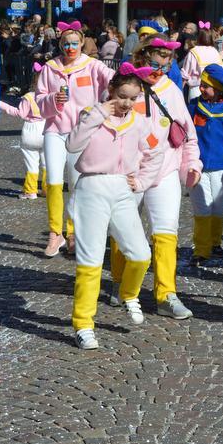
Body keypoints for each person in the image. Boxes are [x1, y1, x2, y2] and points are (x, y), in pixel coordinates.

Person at [66, 66, 164, 350]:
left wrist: (142, 181)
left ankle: (129, 293)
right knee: (91, 260)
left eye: (133, 98)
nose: (127, 103)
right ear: (110, 92)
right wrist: (98, 115)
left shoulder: (140, 122)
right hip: (91, 188)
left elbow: (156, 151)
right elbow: (72, 145)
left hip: (122, 189)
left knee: (141, 254)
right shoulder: (91, 114)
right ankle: (83, 324)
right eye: (122, 96)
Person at [109, 33, 202, 320]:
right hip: (129, 173)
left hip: (165, 170)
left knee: (166, 231)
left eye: (167, 63)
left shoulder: (171, 89)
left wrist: (192, 164)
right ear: (142, 56)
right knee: (123, 229)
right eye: (156, 62)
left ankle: (166, 294)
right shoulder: (123, 87)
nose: (161, 69)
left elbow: (187, 132)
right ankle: (120, 282)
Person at [34, 21, 114, 256]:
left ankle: (73, 232)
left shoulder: (93, 66)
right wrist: (52, 100)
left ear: (82, 44)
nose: (70, 48)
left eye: (75, 44)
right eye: (66, 44)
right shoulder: (50, 68)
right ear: (61, 45)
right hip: (55, 129)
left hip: (81, 132)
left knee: (77, 184)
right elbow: (39, 98)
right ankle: (54, 233)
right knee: (53, 181)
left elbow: (115, 80)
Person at [188, 64, 223, 266]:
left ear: (218, 89)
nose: (201, 89)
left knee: (218, 207)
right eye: (201, 85)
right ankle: (201, 250)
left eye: (206, 86)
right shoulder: (194, 106)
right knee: (202, 207)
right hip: (198, 166)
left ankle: (214, 243)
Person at [0, 92, 46, 200]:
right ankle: (48, 190)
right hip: (46, 128)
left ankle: (30, 191)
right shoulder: (49, 94)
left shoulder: (29, 97)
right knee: (47, 164)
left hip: (30, 130)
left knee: (31, 164)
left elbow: (20, 113)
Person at [180, 22, 223, 100]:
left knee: (195, 107)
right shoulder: (215, 52)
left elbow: (185, 74)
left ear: (198, 38)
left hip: (196, 89)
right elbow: (221, 69)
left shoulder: (193, 52)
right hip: (213, 89)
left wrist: (179, 92)